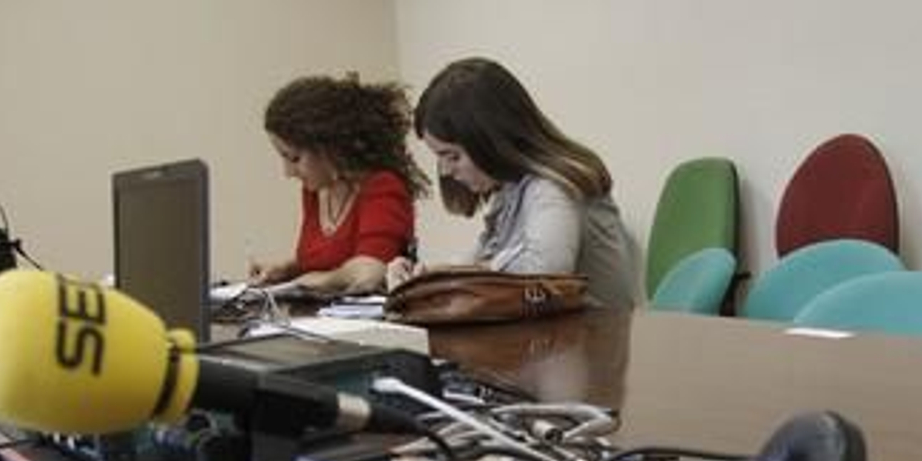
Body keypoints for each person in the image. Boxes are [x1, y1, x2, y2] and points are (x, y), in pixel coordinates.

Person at [386, 58, 636, 308]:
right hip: (554, 337)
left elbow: (546, 270)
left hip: (594, 339)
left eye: (453, 156)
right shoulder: (510, 192)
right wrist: (425, 276)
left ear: (492, 142)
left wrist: (458, 274)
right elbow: (481, 261)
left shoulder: (554, 186)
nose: (445, 171)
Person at [249, 74, 428, 295]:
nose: (287, 172)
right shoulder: (315, 191)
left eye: (294, 158)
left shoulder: (383, 186)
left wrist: (317, 280)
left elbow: (371, 273)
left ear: (328, 148)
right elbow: (331, 258)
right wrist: (287, 270)